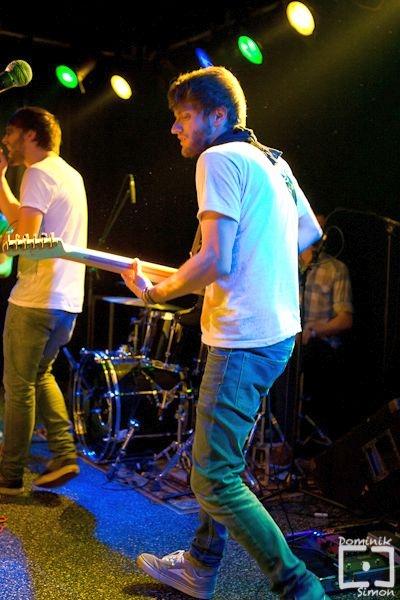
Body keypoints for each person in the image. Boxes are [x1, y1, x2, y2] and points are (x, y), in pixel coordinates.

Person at [122, 66, 329, 600]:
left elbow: (214, 259)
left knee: (213, 476)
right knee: (223, 464)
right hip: (275, 335)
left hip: (243, 339)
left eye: (184, 116)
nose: (175, 128)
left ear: (218, 116)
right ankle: (200, 564)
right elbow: (310, 234)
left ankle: (301, 589)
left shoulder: (217, 158)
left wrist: (154, 293)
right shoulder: (273, 161)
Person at [0, 106, 88, 496]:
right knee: (39, 375)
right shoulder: (68, 174)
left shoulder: (37, 173)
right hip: (66, 302)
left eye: (11, 132)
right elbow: (26, 222)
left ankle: (9, 475)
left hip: (34, 299)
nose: (6, 139)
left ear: (31, 135)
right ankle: (65, 454)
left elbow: (25, 240)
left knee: (18, 386)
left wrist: (5, 243)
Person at [297, 213, 354, 442]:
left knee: (308, 356)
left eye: (320, 228)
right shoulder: (286, 264)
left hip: (320, 346)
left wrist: (313, 330)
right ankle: (274, 433)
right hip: (290, 343)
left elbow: (345, 319)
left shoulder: (336, 268)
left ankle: (305, 438)